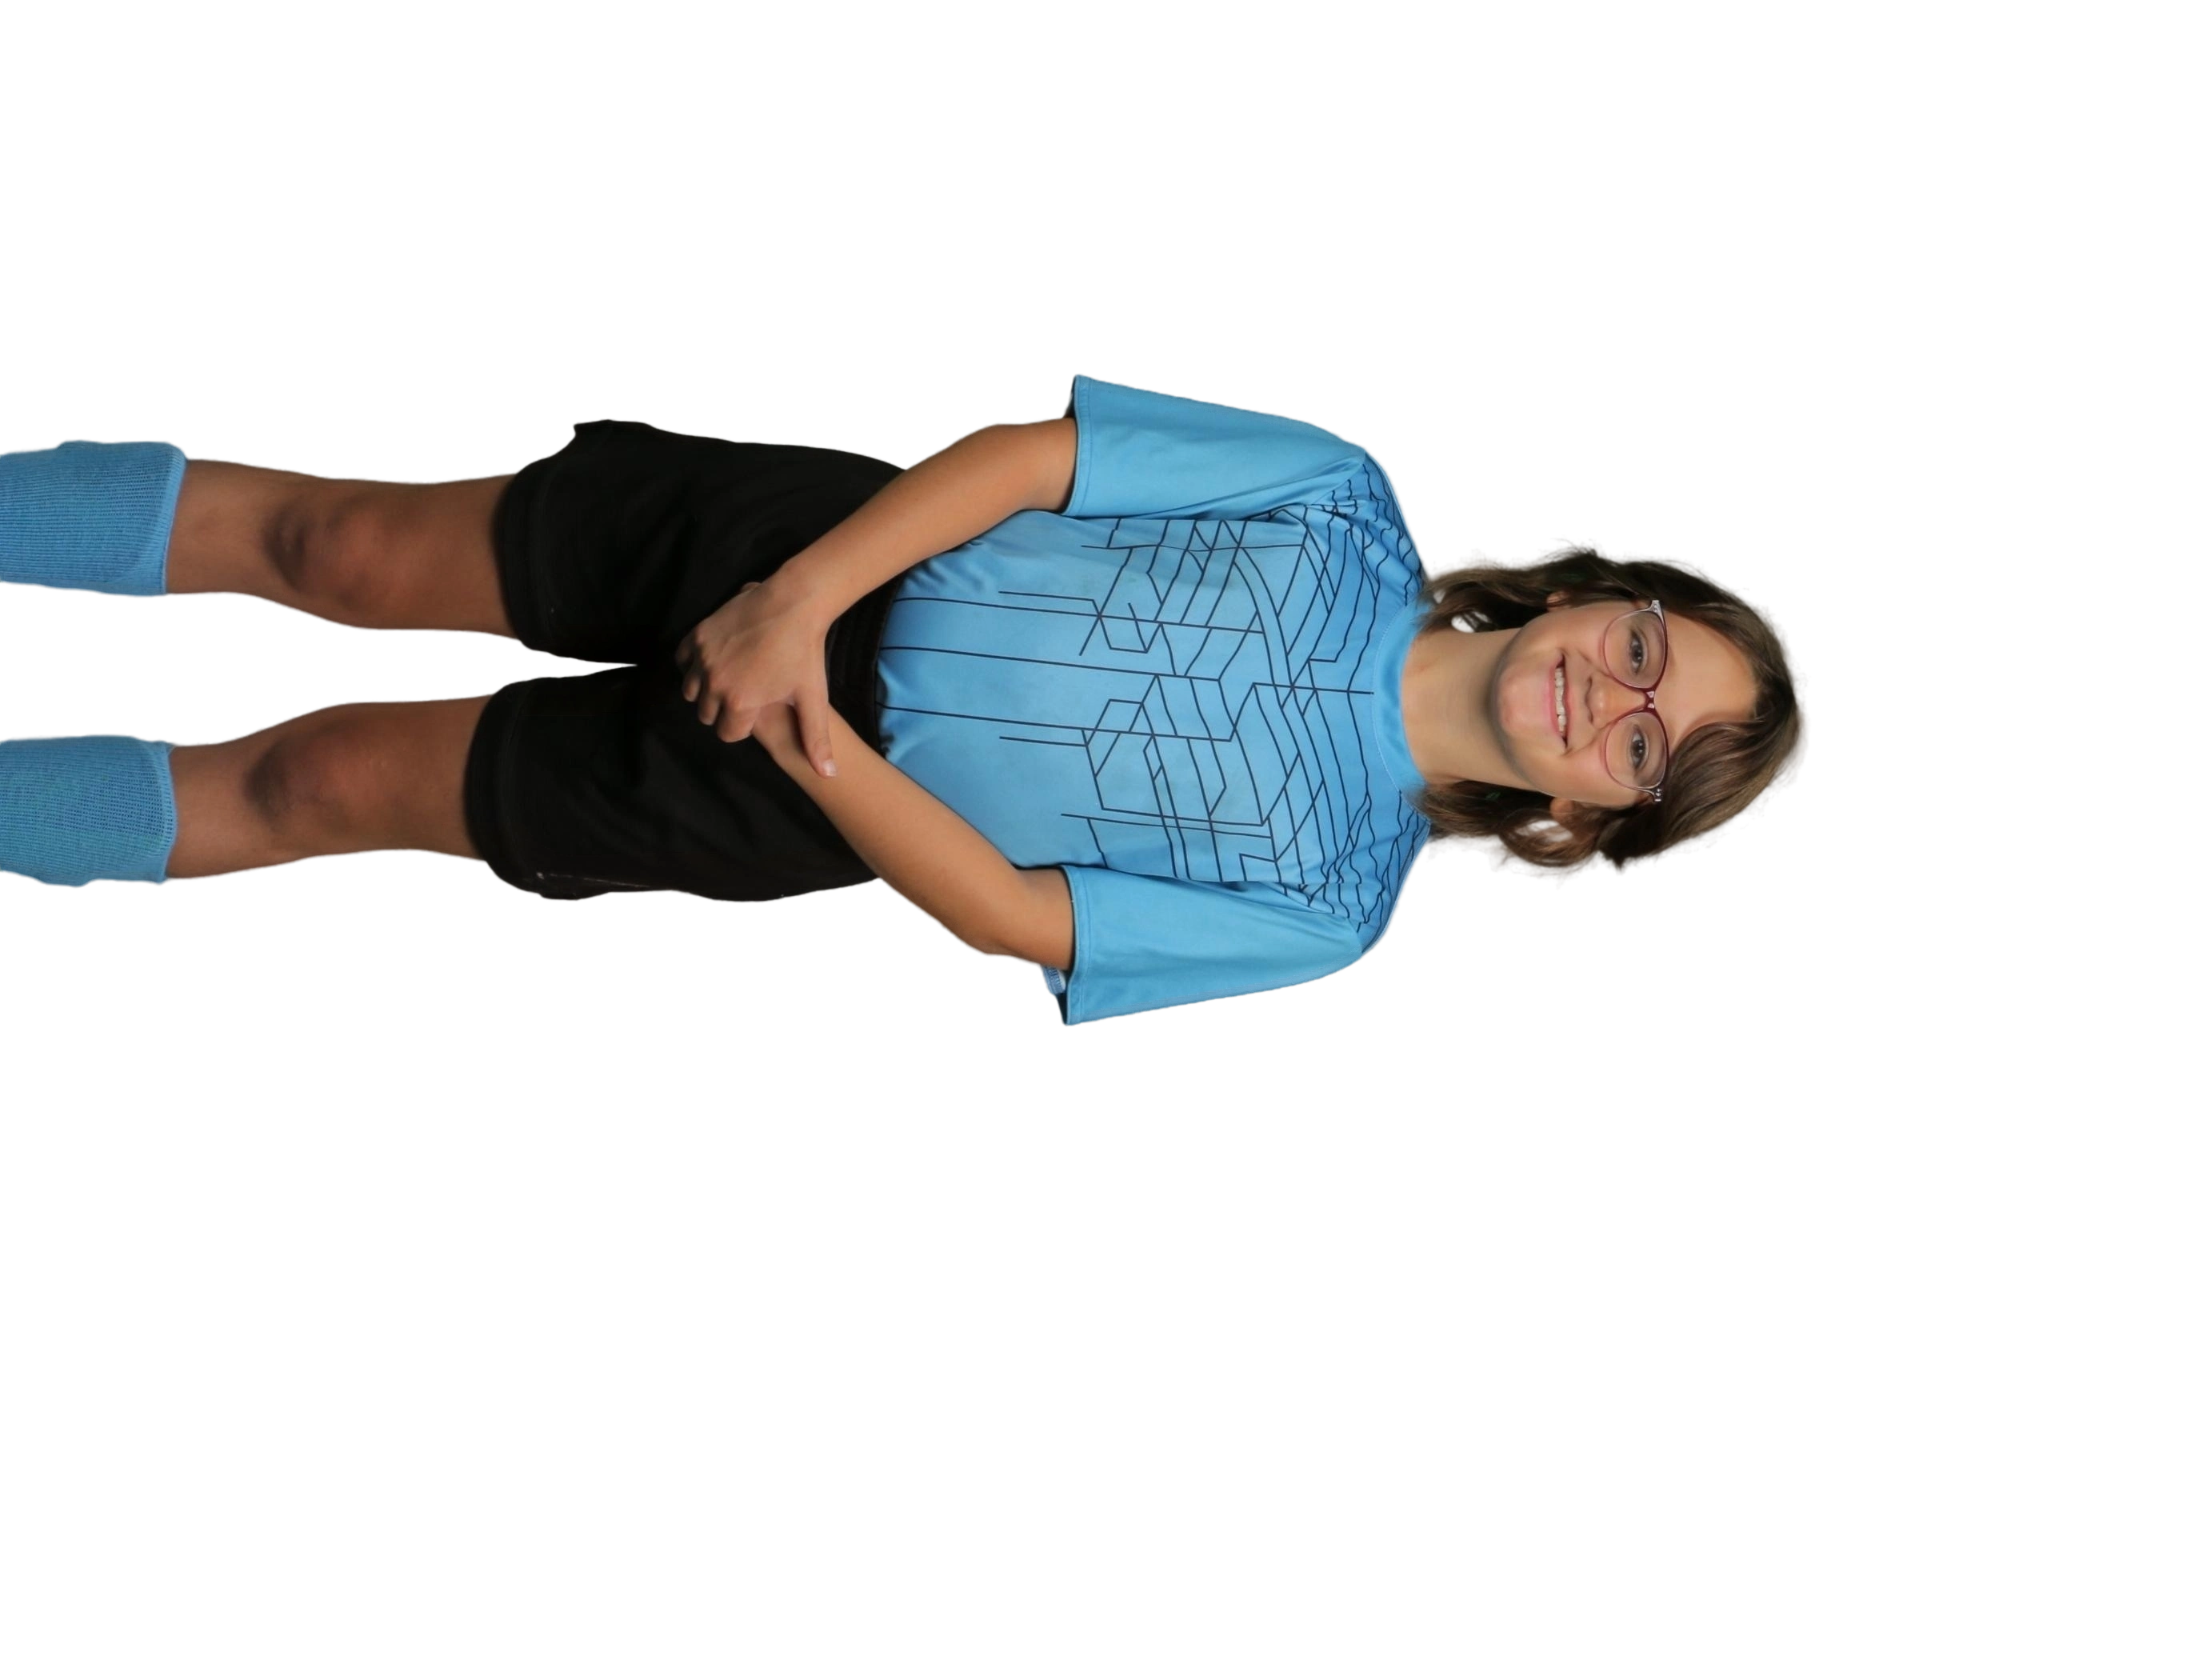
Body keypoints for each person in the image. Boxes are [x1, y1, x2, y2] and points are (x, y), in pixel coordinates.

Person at [0, 374, 1815, 1022]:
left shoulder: (1332, 910)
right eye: (1646, 651)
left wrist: (805, 730)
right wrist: (795, 605)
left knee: (322, 786)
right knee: (339, 547)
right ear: (1606, 593)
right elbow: (1037, 458)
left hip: (786, 792)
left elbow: (1018, 917)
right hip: (805, 550)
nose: (1607, 696)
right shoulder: (1339, 495)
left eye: (1643, 750)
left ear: (1595, 820)